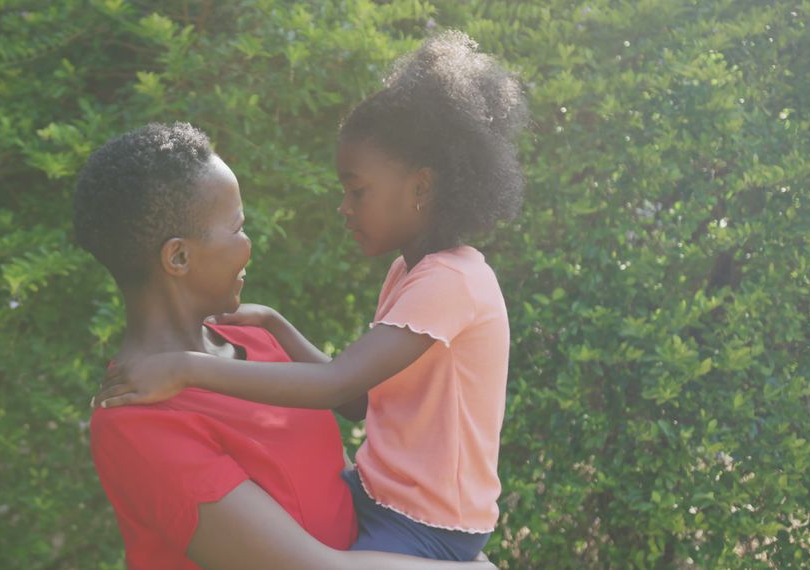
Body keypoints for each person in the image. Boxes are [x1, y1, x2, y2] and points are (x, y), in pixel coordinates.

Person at [97, 30, 529, 562]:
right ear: (178, 257)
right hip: (382, 503)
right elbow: (358, 402)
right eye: (237, 228)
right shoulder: (408, 272)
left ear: (421, 188)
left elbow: (334, 385)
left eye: (358, 191)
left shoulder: (450, 282)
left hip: (424, 526)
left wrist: (186, 367)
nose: (344, 208)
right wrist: (275, 324)